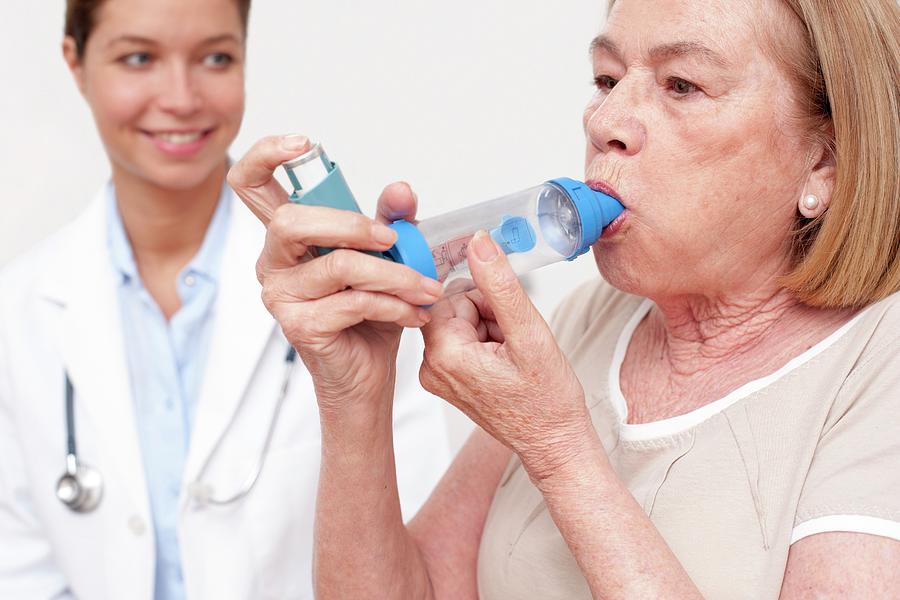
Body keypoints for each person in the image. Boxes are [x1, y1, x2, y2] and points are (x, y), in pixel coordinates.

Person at [228, 0, 900, 597]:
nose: (604, 119)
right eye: (607, 79)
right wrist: (355, 393)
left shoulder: (881, 366)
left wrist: (558, 447)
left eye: (682, 85)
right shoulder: (588, 322)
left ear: (825, 165)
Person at [0, 1, 449, 599]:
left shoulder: (346, 289)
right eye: (139, 58)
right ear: (76, 63)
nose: (182, 97)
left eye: (215, 57)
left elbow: (418, 561)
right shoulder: (19, 310)